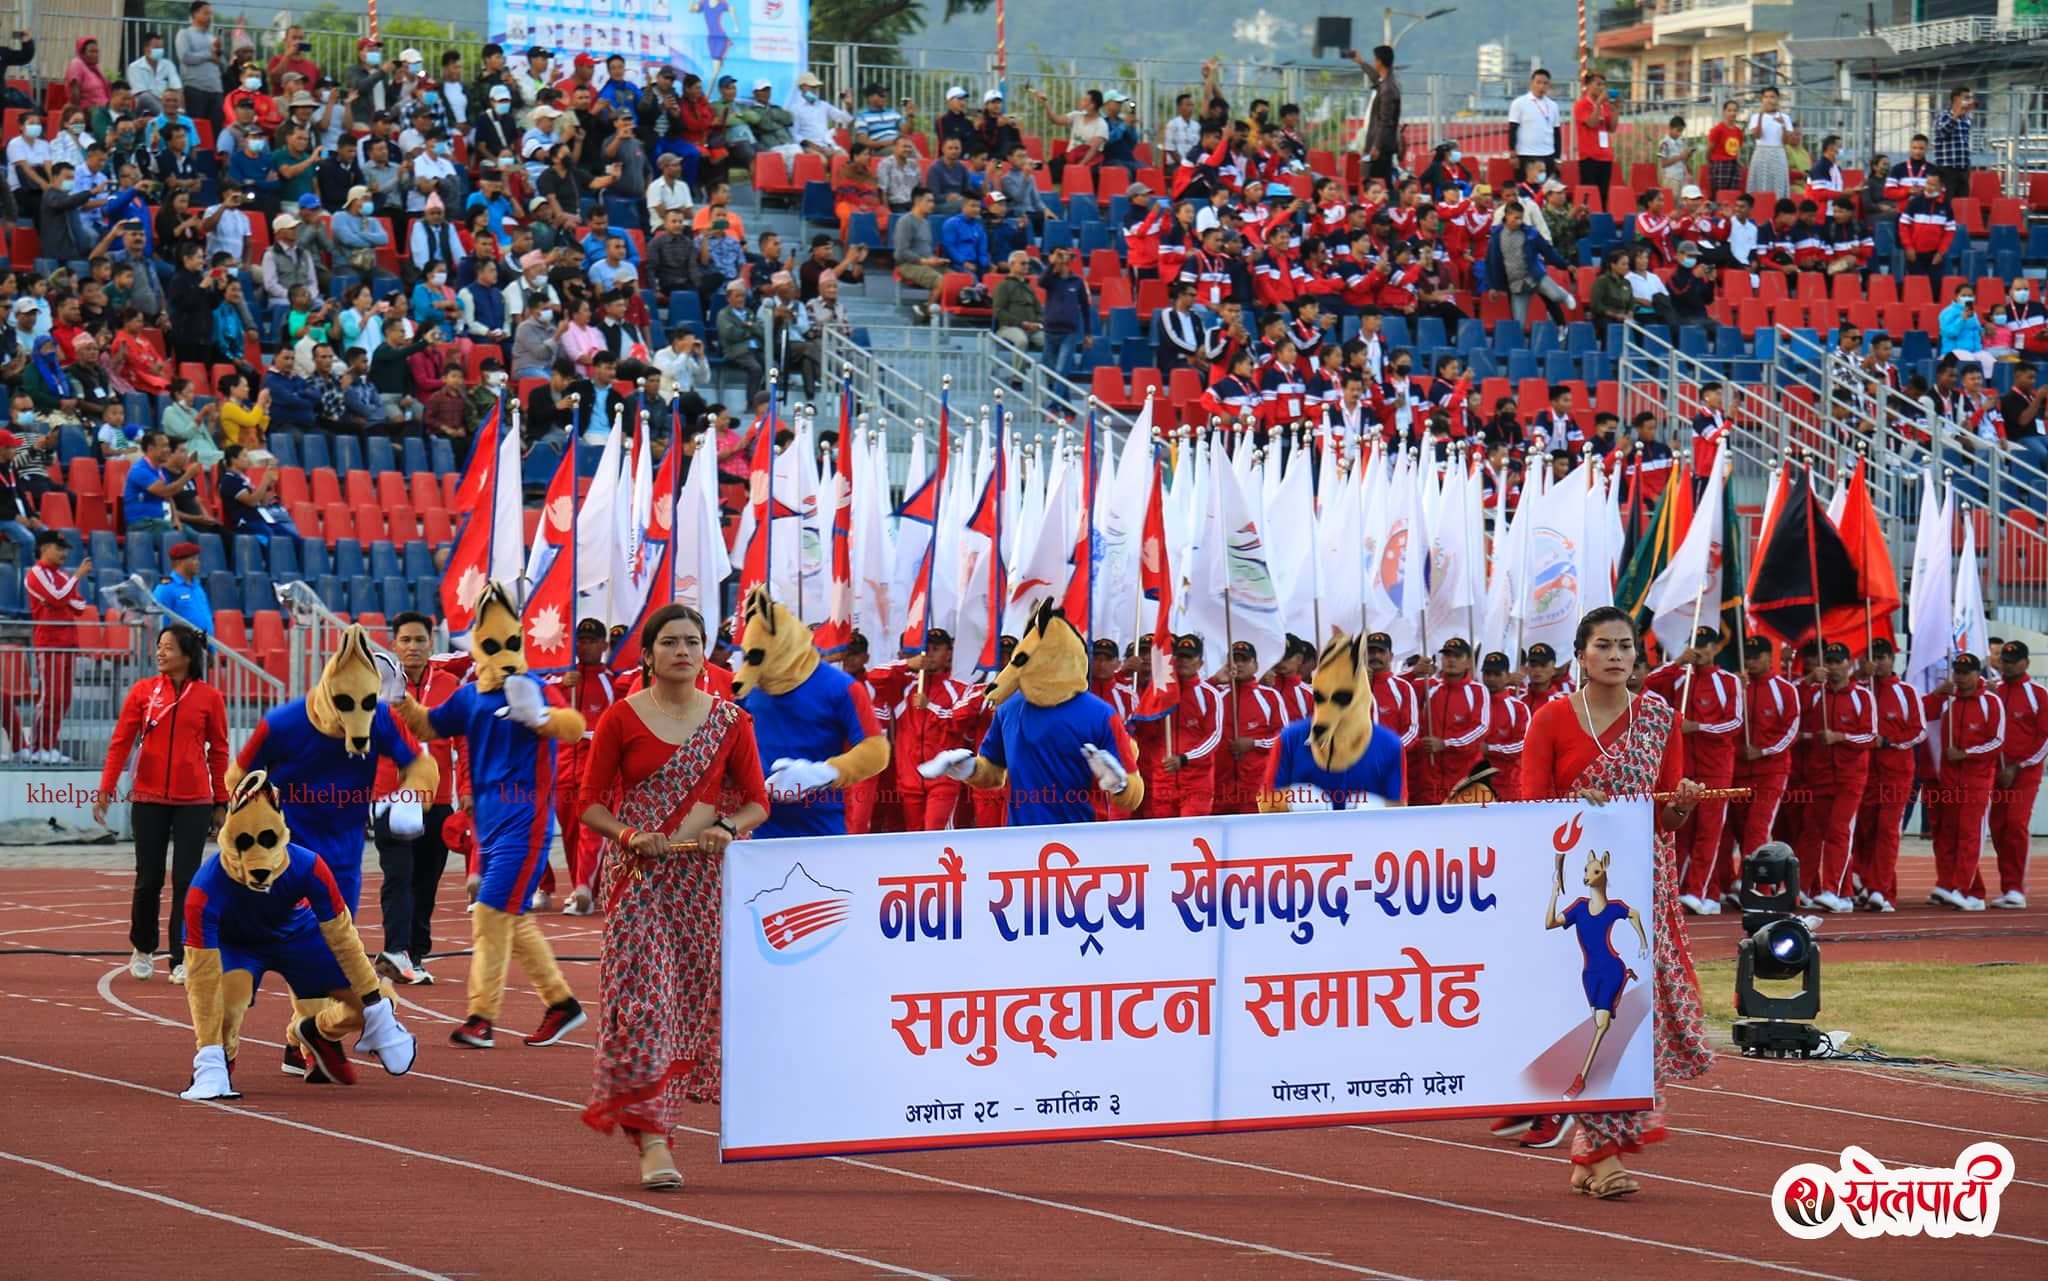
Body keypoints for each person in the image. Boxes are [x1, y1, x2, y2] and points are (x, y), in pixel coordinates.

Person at [1508, 605, 1711, 1196]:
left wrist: (1683, 804)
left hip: (1644, 888)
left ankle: (1594, 1154)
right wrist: (1577, 807)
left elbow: (1666, 818)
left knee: (1636, 1017)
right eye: (1603, 645)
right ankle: (1596, 1154)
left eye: (1625, 646)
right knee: (1597, 1012)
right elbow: (1531, 811)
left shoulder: (1659, 719)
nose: (1616, 655)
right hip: (1579, 894)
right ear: (1580, 655)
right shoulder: (1550, 720)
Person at [577, 602, 770, 1189]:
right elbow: (590, 805)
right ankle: (652, 1141)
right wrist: (630, 835)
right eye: (670, 642)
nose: (682, 651)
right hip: (639, 879)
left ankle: (662, 1124)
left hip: (701, 884)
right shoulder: (622, 718)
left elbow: (757, 802)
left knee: (684, 1006)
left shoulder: (730, 721)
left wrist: (728, 828)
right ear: (648, 654)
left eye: (692, 641)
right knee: (644, 1001)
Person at [93, 623, 231, 985]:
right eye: (159, 646)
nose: (160, 653)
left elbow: (219, 751)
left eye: (168, 647)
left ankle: (180, 957)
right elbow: (121, 742)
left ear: (188, 655)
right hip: (148, 798)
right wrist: (106, 787)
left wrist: (221, 800)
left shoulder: (210, 698)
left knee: (187, 881)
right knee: (148, 879)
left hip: (195, 802)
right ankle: (143, 948)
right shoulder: (142, 691)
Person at [1924, 652, 2004, 911]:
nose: (1960, 677)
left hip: (1977, 781)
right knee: (1949, 836)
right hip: (1949, 781)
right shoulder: (1948, 700)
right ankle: (1961, 888)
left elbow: (1997, 741)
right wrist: (1938, 693)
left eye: (1965, 672)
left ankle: (1965, 889)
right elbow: (1920, 714)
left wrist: (1967, 753)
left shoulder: (1990, 701)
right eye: (1957, 672)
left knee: (1970, 837)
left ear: (1977, 674)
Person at [1985, 641, 2045, 911]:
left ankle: (2016, 888)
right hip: (1996, 772)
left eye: (2014, 661)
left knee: (2015, 824)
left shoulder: (2038, 694)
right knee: (1998, 827)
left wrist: (2018, 766)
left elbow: (2045, 738)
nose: (2008, 665)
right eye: (2005, 661)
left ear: (2026, 663)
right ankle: (2008, 885)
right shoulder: (1993, 690)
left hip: (2025, 773)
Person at [23, 530, 91, 763]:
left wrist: (63, 595)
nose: (63, 553)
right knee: (49, 697)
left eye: (64, 549)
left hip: (68, 642)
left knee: (64, 698)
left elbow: (80, 606)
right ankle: (38, 747)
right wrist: (76, 578)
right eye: (58, 548)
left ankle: (50, 745)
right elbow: (59, 599)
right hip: (49, 642)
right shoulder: (36, 573)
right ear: (44, 549)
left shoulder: (61, 575)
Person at [1507, 68, 1560, 178]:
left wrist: (1557, 158)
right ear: (1531, 84)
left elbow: (1556, 132)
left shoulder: (1553, 105)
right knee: (1526, 186)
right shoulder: (1519, 103)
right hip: (1526, 154)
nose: (1542, 86)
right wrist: (1513, 154)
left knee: (1547, 186)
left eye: (1545, 83)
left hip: (1547, 154)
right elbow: (1512, 129)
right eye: (1538, 83)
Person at [1745, 87, 1796, 199]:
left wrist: (1783, 126)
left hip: (1778, 152)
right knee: (1759, 183)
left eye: (1772, 97)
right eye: (1766, 97)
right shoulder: (1755, 117)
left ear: (1777, 99)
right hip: (1761, 152)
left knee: (1778, 184)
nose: (1769, 100)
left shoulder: (1785, 117)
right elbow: (1757, 135)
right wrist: (1761, 116)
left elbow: (1786, 141)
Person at [1573, 72, 1616, 201]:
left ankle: (1601, 213)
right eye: (1598, 84)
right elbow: (1592, 124)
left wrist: (1616, 109)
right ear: (1588, 85)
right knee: (1590, 195)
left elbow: (1612, 128)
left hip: (1605, 156)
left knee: (1603, 195)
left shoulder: (1605, 106)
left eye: (1603, 85)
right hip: (1589, 157)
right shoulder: (1581, 104)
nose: (1601, 88)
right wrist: (1597, 104)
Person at [1931, 86, 1974, 200]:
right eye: (1966, 98)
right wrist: (1955, 117)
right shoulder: (1943, 116)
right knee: (1947, 200)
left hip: (1963, 168)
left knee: (1962, 202)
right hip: (1947, 168)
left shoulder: (1966, 119)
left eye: (1970, 98)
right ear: (1956, 99)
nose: (1969, 101)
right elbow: (1942, 132)